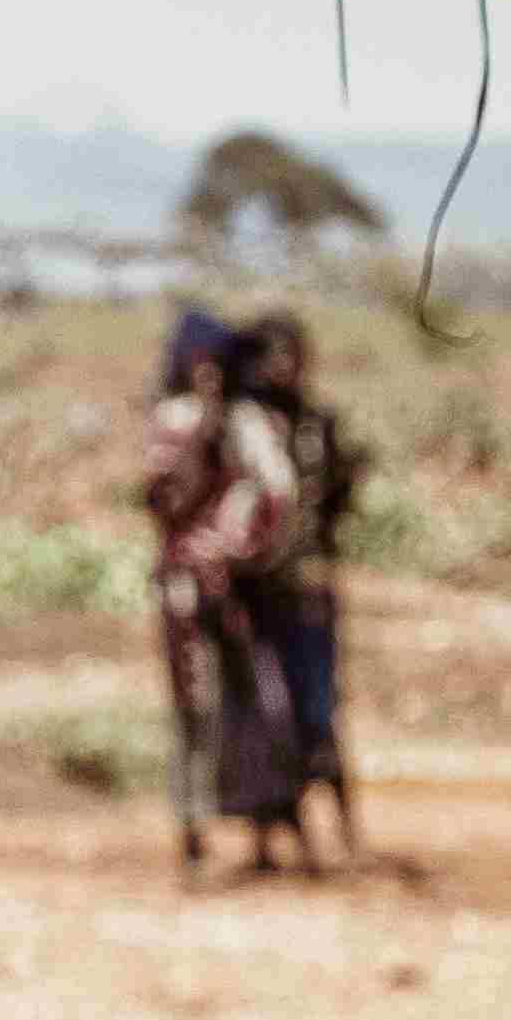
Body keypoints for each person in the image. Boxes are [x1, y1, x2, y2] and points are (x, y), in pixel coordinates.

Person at [143, 307, 364, 879]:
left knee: (274, 710)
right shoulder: (181, 424)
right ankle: (197, 841)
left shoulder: (268, 425)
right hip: (193, 591)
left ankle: (289, 837)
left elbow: (283, 502)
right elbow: (167, 500)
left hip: (255, 589)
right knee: (200, 711)